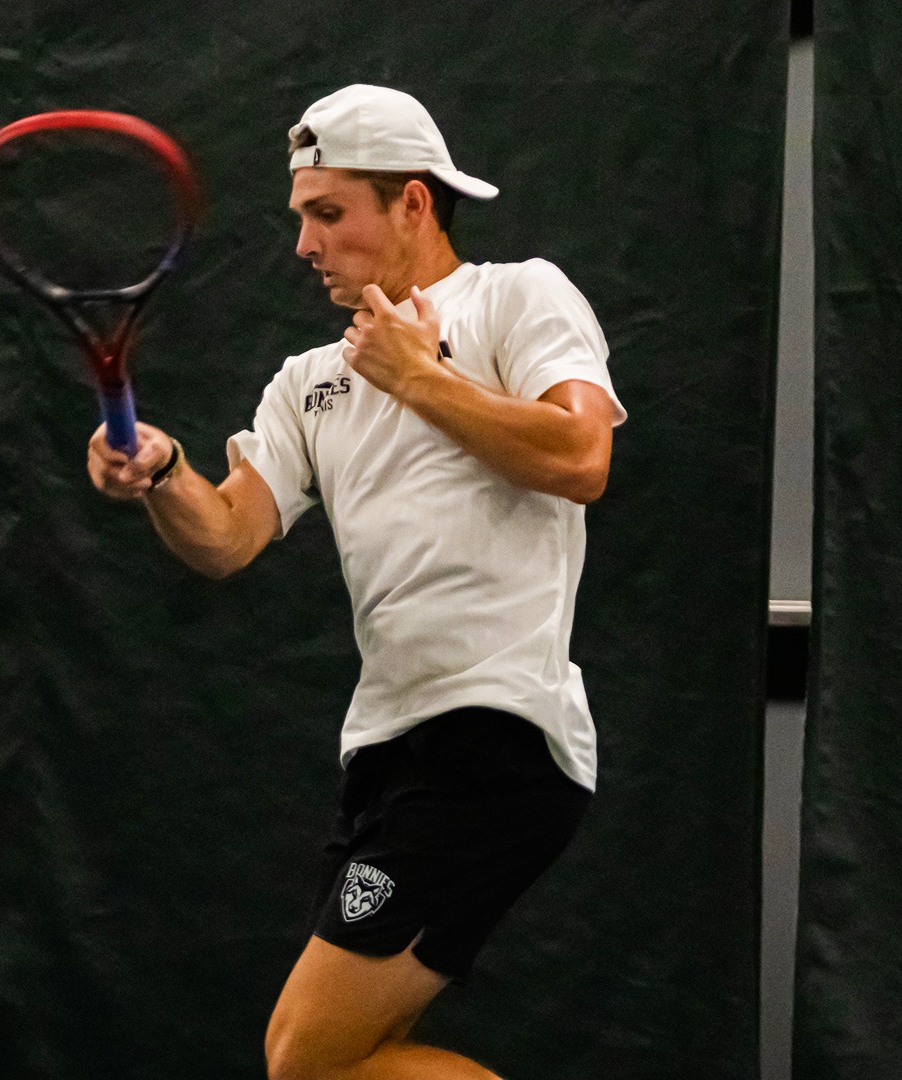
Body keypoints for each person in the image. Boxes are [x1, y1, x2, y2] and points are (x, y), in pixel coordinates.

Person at [86, 84, 626, 1080]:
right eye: (301, 216)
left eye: (329, 214)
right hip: (387, 755)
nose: (304, 243)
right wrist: (162, 474)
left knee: (305, 1057)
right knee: (347, 1061)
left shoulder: (518, 297)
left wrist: (417, 375)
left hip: (497, 733)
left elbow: (581, 458)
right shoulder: (306, 384)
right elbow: (229, 537)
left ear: (412, 204)